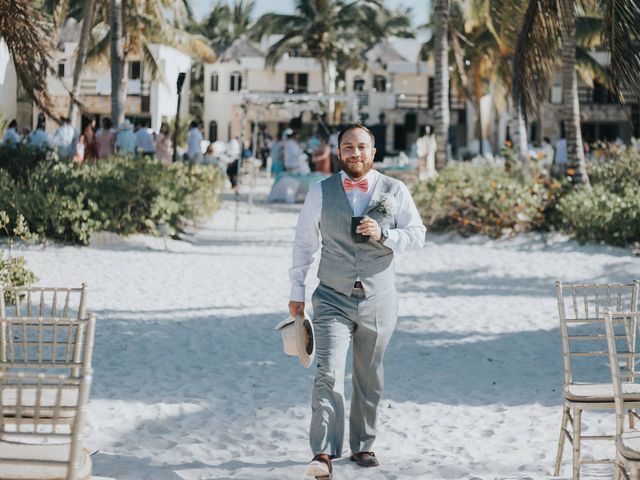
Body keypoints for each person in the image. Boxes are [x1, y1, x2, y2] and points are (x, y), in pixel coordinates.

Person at [288, 123, 426, 479]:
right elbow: (304, 244)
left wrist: (386, 234)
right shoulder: (320, 192)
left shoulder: (395, 189)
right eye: (348, 147)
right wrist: (296, 292)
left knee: (369, 376)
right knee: (328, 372)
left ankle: (363, 445)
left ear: (373, 152)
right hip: (332, 296)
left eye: (362, 147)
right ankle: (322, 452)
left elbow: (417, 236)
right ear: (339, 152)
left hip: (380, 297)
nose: (355, 153)